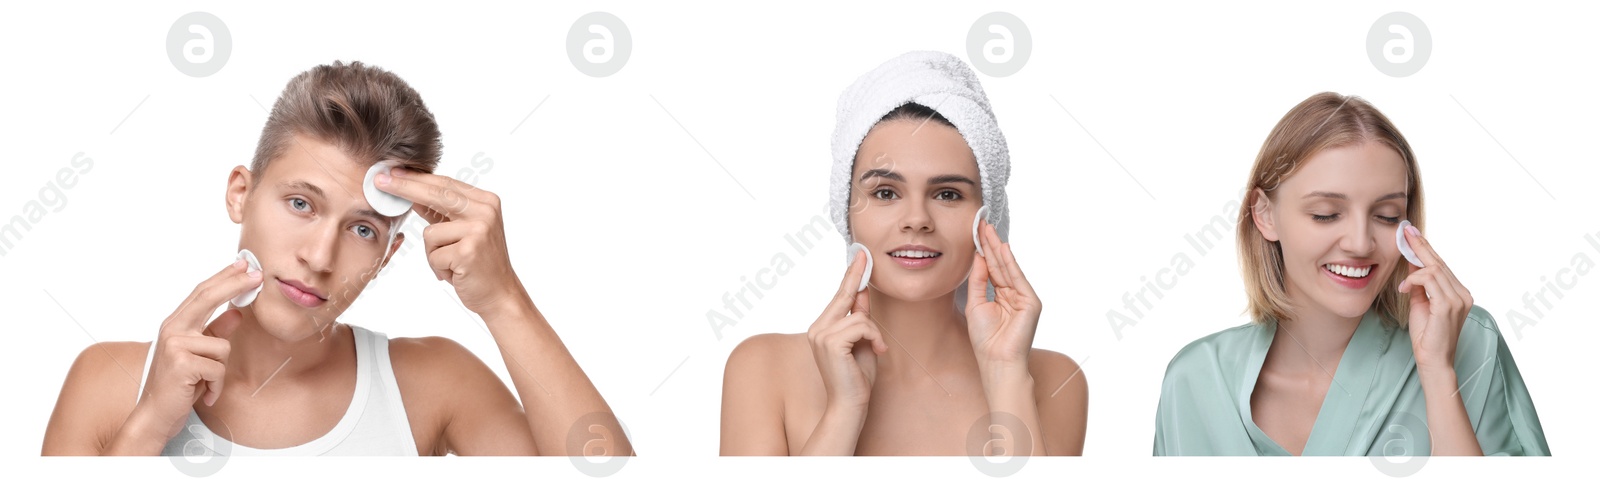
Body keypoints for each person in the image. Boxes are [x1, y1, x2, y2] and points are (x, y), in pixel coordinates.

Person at [42, 61, 631, 456]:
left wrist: (505, 303)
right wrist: (147, 428)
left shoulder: (432, 384)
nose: (320, 256)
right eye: (301, 203)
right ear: (240, 193)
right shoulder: (107, 383)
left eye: (363, 230)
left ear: (389, 254)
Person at [720, 51, 1087, 456]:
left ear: (987, 218)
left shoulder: (1054, 380)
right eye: (885, 192)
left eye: (948, 194)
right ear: (846, 210)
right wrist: (845, 410)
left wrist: (1005, 375)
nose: (916, 219)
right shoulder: (762, 370)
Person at [1153, 92, 1549, 456]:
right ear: (1264, 214)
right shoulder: (1194, 382)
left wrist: (1438, 373)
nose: (1360, 243)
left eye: (1386, 216)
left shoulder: (1469, 343)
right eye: (1326, 214)